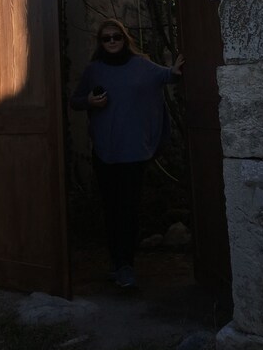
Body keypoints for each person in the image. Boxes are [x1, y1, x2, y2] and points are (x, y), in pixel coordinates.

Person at [70, 19, 184, 288]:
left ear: (125, 39)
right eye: (106, 38)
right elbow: (75, 101)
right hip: (105, 152)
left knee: (129, 210)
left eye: (116, 37)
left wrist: (179, 66)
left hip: (134, 152)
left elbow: (167, 75)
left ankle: (126, 265)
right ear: (100, 43)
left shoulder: (141, 65)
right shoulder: (94, 71)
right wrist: (89, 101)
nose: (111, 42)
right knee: (111, 210)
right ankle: (116, 263)